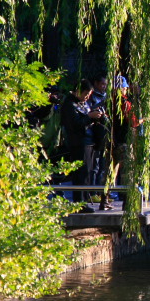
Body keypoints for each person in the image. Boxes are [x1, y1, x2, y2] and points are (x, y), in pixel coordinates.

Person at [60, 79, 105, 212]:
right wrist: (90, 117)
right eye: (86, 93)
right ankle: (79, 203)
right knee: (80, 173)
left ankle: (84, 200)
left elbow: (87, 119)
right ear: (78, 91)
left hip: (89, 142)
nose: (87, 97)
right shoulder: (69, 104)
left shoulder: (83, 104)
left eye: (89, 94)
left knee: (88, 173)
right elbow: (74, 125)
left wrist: (97, 117)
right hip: (78, 143)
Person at [106, 75, 141, 206]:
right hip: (123, 141)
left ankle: (105, 198)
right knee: (127, 170)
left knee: (111, 171)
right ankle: (127, 199)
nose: (126, 90)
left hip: (110, 141)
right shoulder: (124, 103)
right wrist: (141, 120)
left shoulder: (108, 102)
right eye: (125, 88)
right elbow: (133, 122)